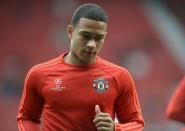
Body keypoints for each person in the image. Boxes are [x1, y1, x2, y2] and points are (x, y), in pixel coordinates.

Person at [17, 3, 144, 131]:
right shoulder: (39, 74)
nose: (92, 44)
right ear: (70, 31)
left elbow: (137, 124)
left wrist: (115, 128)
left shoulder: (119, 76)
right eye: (86, 36)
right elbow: (27, 118)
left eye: (98, 38)